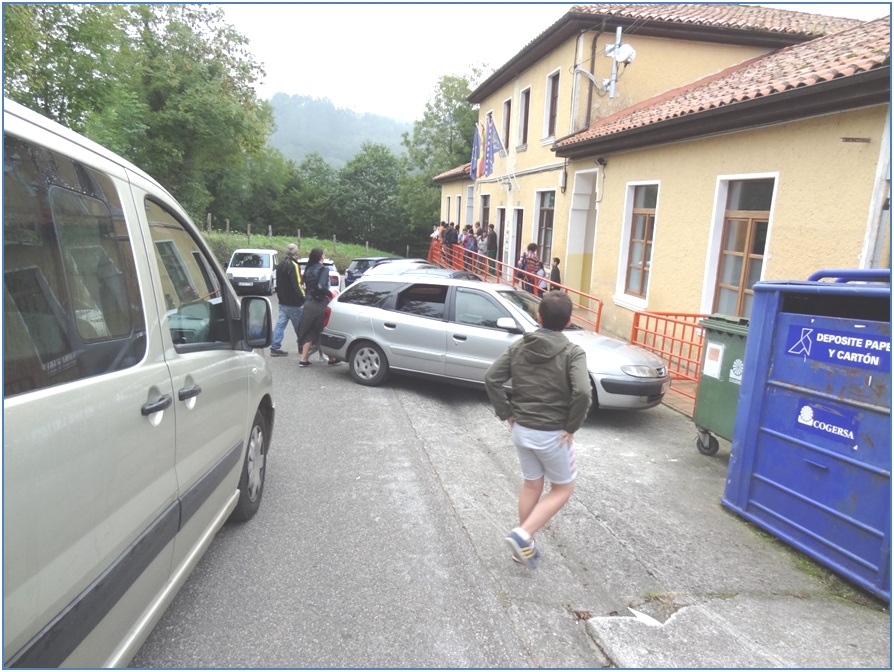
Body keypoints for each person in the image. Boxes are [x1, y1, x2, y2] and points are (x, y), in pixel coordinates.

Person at [484, 291, 592, 568]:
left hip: (522, 430)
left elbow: (491, 378)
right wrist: (572, 426)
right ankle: (523, 535)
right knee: (563, 488)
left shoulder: (520, 346)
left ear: (539, 317)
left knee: (532, 484)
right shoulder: (572, 352)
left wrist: (506, 413)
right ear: (568, 322)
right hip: (553, 435)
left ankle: (524, 545)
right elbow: (582, 392)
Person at [297, 247, 337, 367]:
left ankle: (303, 359)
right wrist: (330, 294)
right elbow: (321, 286)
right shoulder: (323, 269)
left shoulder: (308, 269)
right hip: (319, 304)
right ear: (321, 257)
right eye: (323, 255)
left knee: (309, 330)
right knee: (322, 330)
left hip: (308, 303)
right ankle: (331, 358)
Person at [269, 243, 305, 356]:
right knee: (300, 327)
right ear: (296, 253)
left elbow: (277, 283)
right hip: (294, 302)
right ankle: (302, 346)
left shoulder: (280, 265)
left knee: (280, 325)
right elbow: (298, 284)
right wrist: (303, 296)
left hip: (283, 301)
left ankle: (274, 347)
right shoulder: (294, 265)